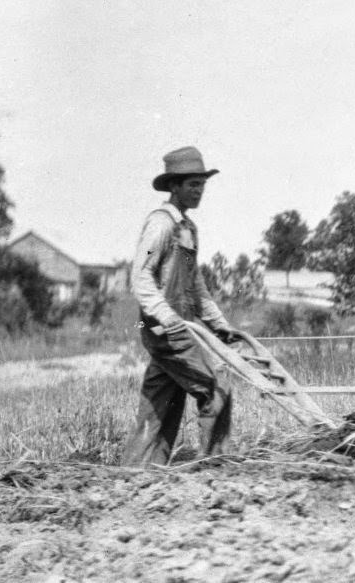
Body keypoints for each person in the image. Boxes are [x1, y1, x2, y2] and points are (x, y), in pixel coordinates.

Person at [121, 146, 245, 466]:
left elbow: (196, 285)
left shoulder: (188, 228)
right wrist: (167, 316)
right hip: (166, 329)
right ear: (174, 186)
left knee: (160, 405)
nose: (199, 191)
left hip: (182, 325)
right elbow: (141, 278)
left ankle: (135, 477)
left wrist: (219, 324)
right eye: (192, 185)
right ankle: (218, 466)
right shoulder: (161, 225)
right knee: (216, 388)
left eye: (202, 184)